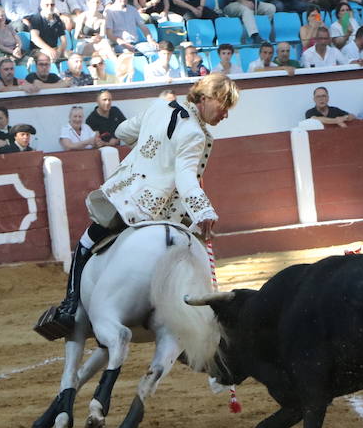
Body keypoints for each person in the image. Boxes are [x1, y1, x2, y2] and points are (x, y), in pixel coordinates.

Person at [35, 73, 241, 339]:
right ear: (205, 97)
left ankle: (69, 307)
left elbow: (122, 132)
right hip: (158, 210)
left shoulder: (159, 107)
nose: (225, 114)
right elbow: (186, 177)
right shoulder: (194, 134)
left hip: (123, 198)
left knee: (86, 244)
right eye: (223, 104)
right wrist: (204, 211)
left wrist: (150, 145)